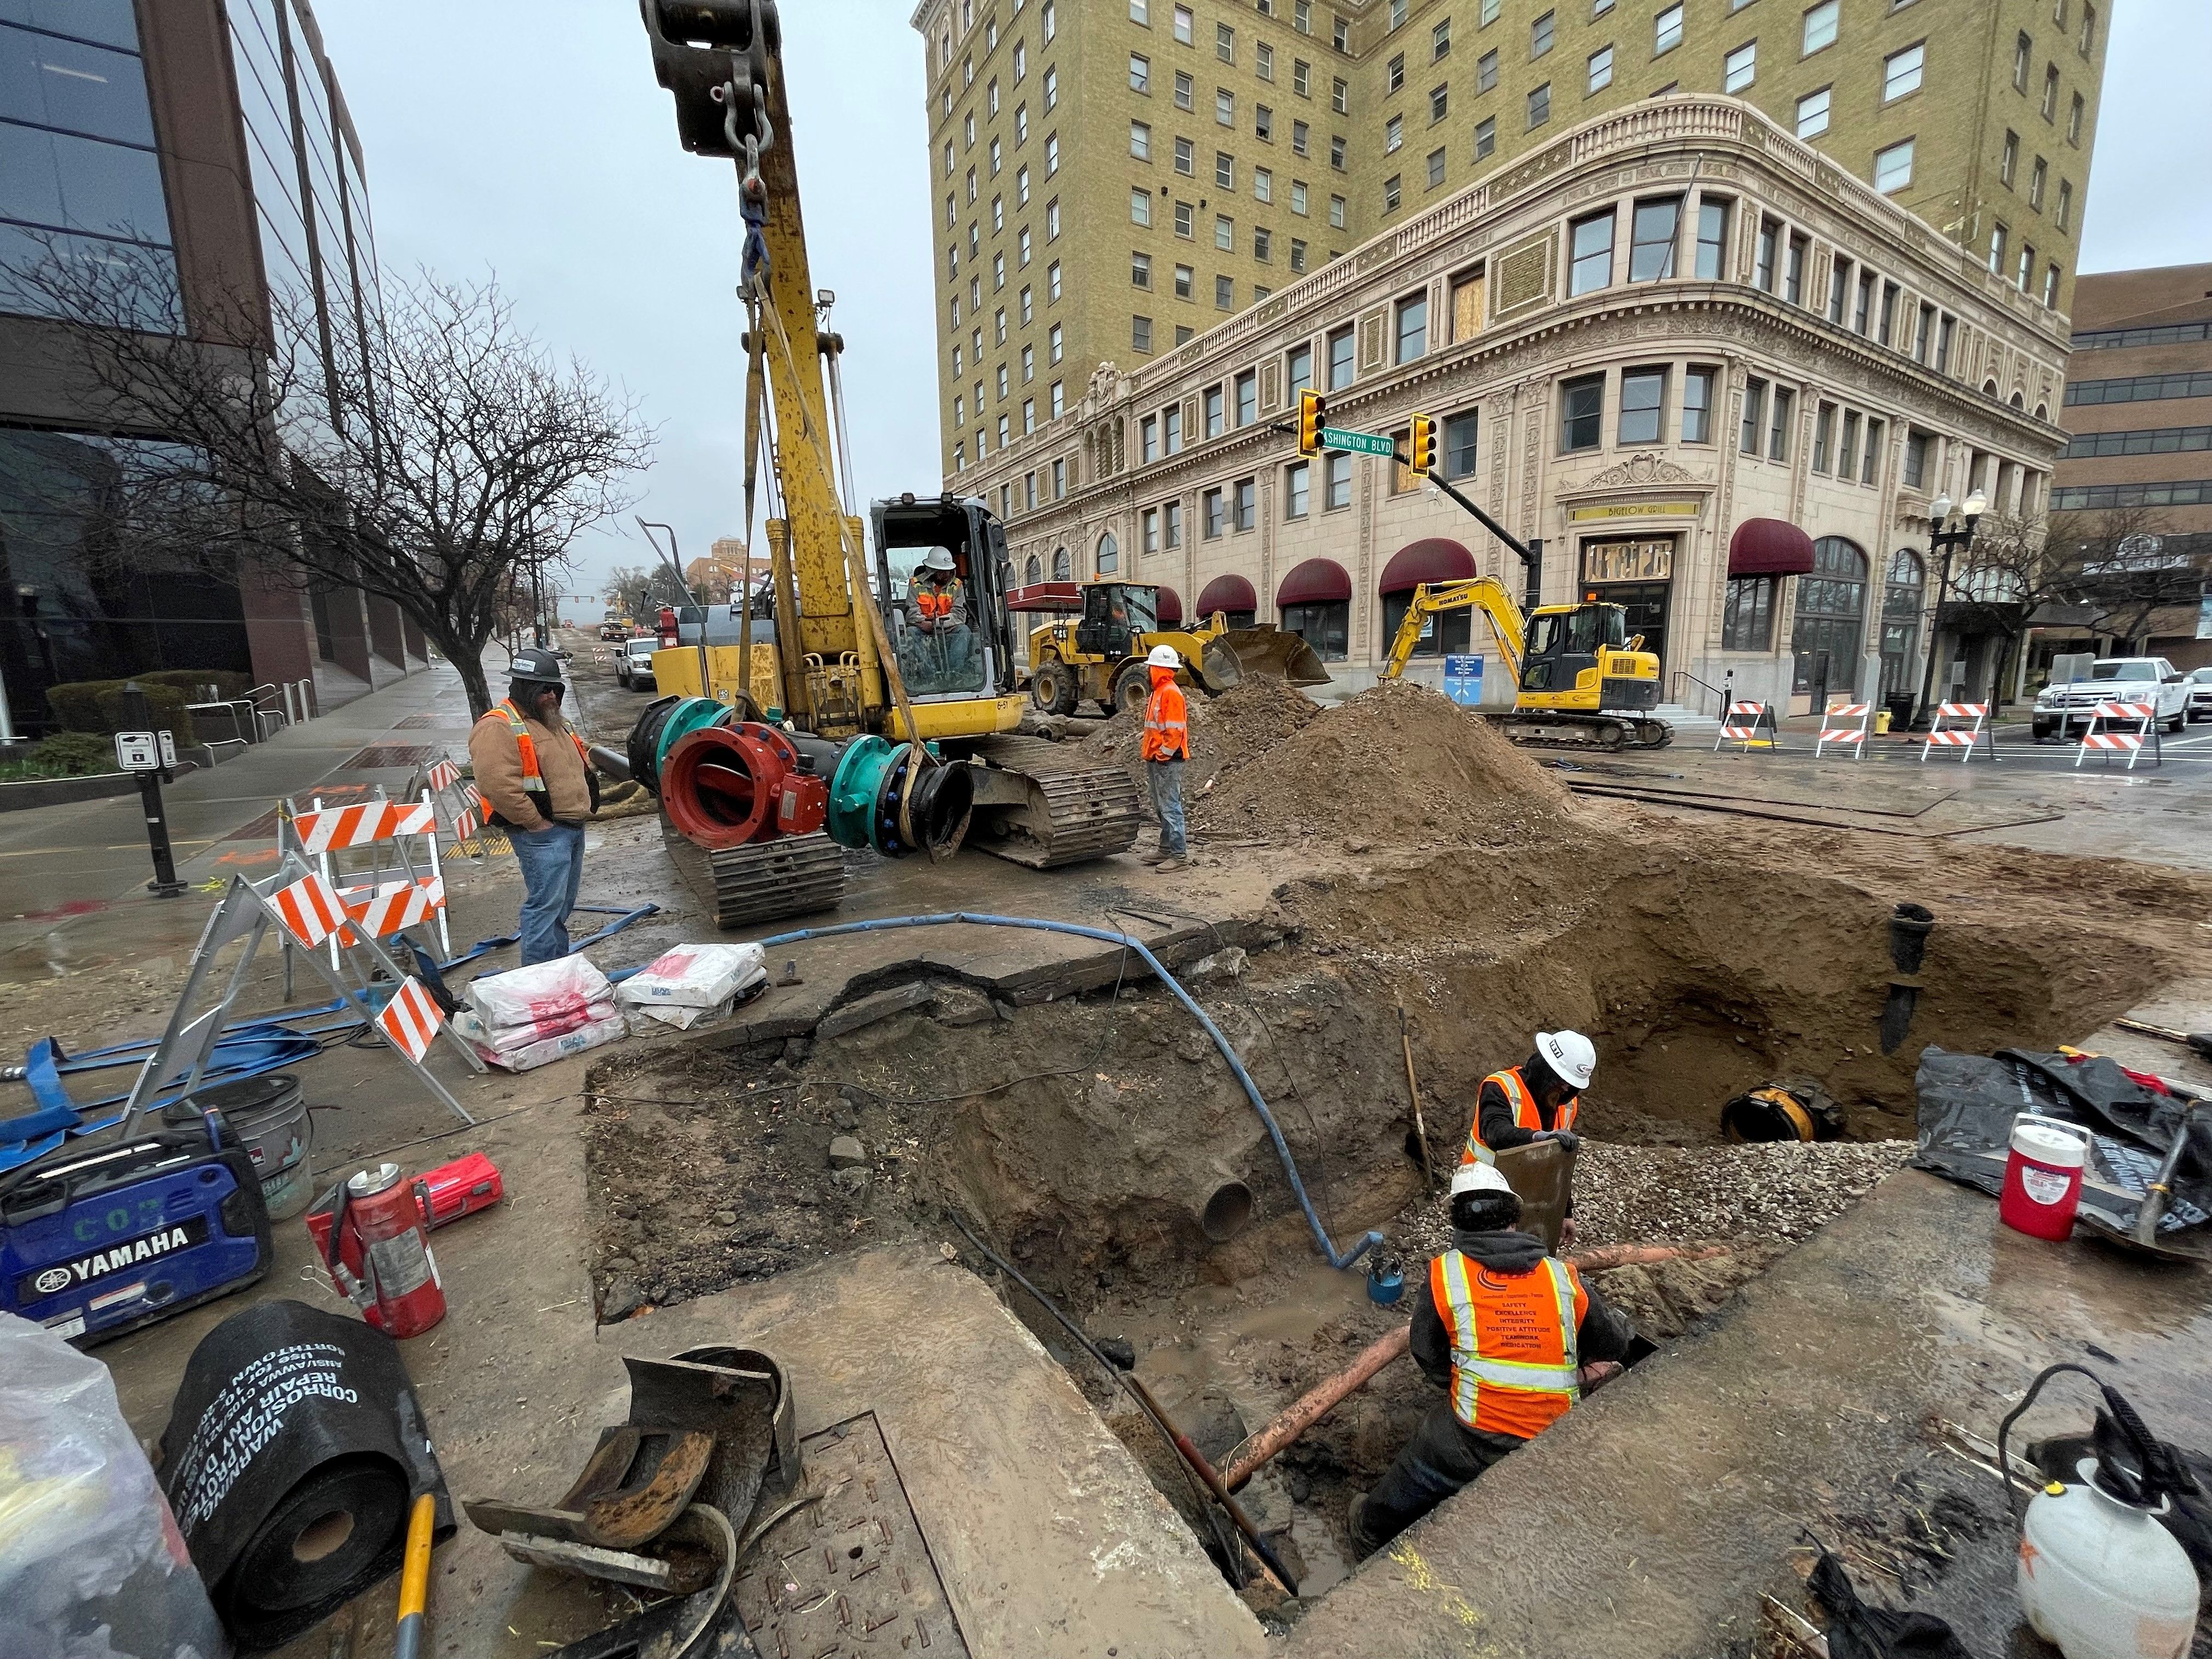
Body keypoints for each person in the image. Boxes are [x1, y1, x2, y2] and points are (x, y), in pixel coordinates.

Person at [1347, 1162, 1630, 1556]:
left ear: (1457, 1224)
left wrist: (1459, 1379)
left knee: (1422, 1462)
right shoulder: (1561, 1277)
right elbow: (1613, 1343)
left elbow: (1426, 1352)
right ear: (1514, 1218)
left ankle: (1368, 1531)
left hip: (1474, 1436)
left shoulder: (1446, 1274)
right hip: (1553, 1436)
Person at [469, 646, 597, 965]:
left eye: (555, 689)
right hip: (542, 835)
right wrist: (535, 823)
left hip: (570, 828)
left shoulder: (552, 722)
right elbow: (498, 787)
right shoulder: (498, 726)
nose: (552, 696)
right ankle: (539, 977)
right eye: (544, 690)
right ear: (524, 688)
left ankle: (557, 969)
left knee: (560, 908)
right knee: (544, 907)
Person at [1138, 643, 1188, 873]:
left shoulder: (1170, 693)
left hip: (1167, 760)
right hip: (1158, 758)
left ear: (1158, 669)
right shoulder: (1159, 691)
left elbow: (1175, 731)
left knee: (1170, 808)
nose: (1148, 671)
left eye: (1151, 667)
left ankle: (1179, 856)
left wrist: (1162, 755)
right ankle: (1166, 849)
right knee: (1162, 807)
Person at [902, 548, 975, 691]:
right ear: (931, 570)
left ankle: (954, 675)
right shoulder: (916, 585)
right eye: (942, 571)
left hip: (948, 629)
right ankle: (931, 676)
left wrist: (934, 624)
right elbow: (911, 613)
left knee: (964, 630)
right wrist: (923, 623)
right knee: (911, 632)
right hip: (923, 630)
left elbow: (959, 615)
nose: (946, 574)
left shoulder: (957, 586)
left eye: (948, 570)